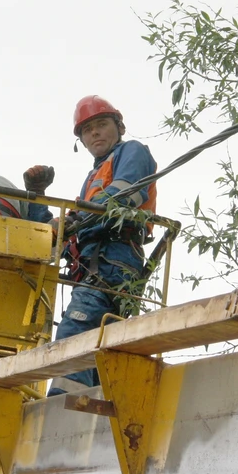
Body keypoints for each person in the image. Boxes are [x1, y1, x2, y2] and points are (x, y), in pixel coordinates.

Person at [48, 95, 158, 396]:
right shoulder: (93, 175)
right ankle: (91, 409)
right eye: (87, 130)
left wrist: (75, 218)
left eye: (101, 125)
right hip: (97, 261)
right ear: (81, 140)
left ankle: (60, 411)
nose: (94, 132)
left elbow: (123, 197)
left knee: (76, 330)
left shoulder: (133, 152)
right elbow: (90, 213)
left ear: (119, 127)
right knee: (101, 345)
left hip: (114, 258)